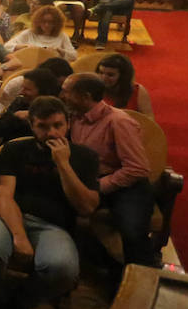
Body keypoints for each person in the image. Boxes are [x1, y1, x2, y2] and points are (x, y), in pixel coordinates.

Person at [0, 96, 99, 309]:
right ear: (32, 125)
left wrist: (63, 165)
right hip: (4, 216)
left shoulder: (85, 157)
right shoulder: (15, 149)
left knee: (63, 269)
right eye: (43, 126)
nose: (51, 132)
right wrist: (19, 237)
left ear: (68, 124)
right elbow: (4, 195)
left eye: (57, 125)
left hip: (53, 226)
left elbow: (86, 207)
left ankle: (18, 302)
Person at [61, 72, 158, 269]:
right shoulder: (74, 117)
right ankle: (100, 268)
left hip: (126, 185)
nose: (62, 95)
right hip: (92, 180)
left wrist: (99, 186)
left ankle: (140, 280)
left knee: (132, 231)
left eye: (66, 92)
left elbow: (137, 169)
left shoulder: (118, 121)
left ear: (85, 97)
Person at [6, 5, 77, 62]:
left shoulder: (61, 36)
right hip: (29, 66)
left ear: (56, 23)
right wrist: (27, 47)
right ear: (38, 21)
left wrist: (59, 51)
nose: (47, 25)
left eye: (51, 22)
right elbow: (7, 47)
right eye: (44, 22)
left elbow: (73, 56)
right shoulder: (29, 33)